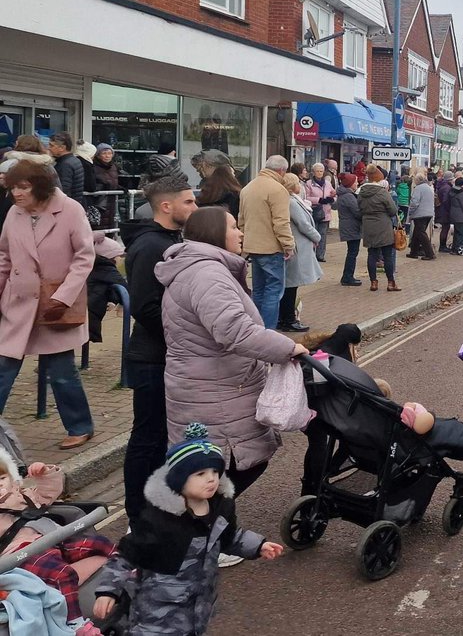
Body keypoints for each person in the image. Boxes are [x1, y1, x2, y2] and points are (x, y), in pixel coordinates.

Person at [157, 207, 308, 503]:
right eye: (233, 227)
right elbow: (234, 330)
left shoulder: (200, 269)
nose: (240, 233)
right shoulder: (207, 274)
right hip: (215, 391)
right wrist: (287, 349)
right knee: (225, 471)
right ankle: (202, 536)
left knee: (215, 473)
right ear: (214, 233)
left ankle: (208, 532)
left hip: (208, 384)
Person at [93, 423, 285, 633]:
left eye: (215, 471)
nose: (211, 479)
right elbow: (127, 555)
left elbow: (229, 538)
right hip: (158, 605)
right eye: (200, 474)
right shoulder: (160, 518)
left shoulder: (220, 507)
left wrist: (258, 545)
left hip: (199, 602)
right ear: (179, 479)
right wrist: (108, 591)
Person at [0, 160, 96, 449]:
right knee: (4, 367)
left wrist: (63, 296)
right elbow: (4, 256)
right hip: (18, 303)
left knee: (61, 371)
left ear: (40, 187)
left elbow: (84, 257)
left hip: (55, 305)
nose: (16, 193)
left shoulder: (70, 210)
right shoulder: (15, 213)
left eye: (23, 187)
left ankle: (80, 426)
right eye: (12, 187)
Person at [120, 174, 197, 524]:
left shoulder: (169, 238)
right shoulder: (151, 245)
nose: (194, 207)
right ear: (166, 206)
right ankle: (138, 513)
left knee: (161, 439)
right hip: (152, 359)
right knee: (147, 440)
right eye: (189, 202)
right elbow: (146, 307)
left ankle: (158, 506)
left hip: (166, 355)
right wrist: (186, 335)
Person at [0, 450, 114, 630]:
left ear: (12, 479)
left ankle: (130, 572)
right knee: (62, 573)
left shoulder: (27, 496)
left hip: (56, 542)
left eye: (2, 479)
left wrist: (45, 473)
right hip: (24, 556)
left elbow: (50, 490)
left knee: (100, 544)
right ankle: (75, 624)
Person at [237, 155, 294, 330]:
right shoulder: (277, 190)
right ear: (282, 171)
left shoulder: (247, 188)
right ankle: (268, 331)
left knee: (259, 290)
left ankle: (255, 328)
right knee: (274, 291)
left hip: (252, 246)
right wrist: (288, 245)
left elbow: (241, 220)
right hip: (271, 248)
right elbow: (281, 222)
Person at [279, 173, 322, 333]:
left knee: (291, 283)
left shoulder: (293, 200)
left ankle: (285, 317)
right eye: (297, 182)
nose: (300, 185)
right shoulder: (291, 202)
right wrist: (317, 236)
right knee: (291, 284)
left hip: (299, 246)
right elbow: (303, 224)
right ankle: (288, 319)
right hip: (296, 247)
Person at [359, 164, 400, 292]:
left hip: (368, 225)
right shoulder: (382, 192)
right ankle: (390, 282)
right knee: (387, 255)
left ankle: (373, 283)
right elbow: (393, 210)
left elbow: (359, 208)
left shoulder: (361, 192)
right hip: (383, 225)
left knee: (372, 254)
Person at [301, 162, 335, 264]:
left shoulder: (327, 183)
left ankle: (320, 255)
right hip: (314, 212)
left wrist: (332, 199)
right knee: (313, 234)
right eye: (317, 171)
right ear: (313, 172)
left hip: (326, 212)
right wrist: (319, 200)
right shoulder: (309, 183)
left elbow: (334, 194)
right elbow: (306, 197)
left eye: (321, 171)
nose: (320, 173)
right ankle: (311, 254)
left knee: (323, 235)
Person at [335, 173, 364, 284]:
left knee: (352, 252)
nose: (357, 183)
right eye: (355, 181)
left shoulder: (346, 195)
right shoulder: (348, 196)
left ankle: (348, 276)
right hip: (351, 227)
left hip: (349, 226)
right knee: (352, 253)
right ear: (350, 184)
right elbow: (357, 212)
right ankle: (347, 277)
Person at [47, 132, 86, 205]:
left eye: (51, 145)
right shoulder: (74, 160)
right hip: (73, 204)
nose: (48, 148)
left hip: (65, 206)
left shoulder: (65, 164)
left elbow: (62, 189)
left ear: (62, 148)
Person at [407, 171, 437, 262]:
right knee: (417, 233)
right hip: (429, 213)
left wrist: (410, 213)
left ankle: (430, 253)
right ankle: (414, 252)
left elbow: (414, 202)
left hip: (420, 214)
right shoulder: (429, 188)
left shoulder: (418, 189)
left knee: (421, 233)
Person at [92, 142, 121, 228]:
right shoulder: (94, 167)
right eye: (104, 153)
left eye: (109, 153)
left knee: (111, 225)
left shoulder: (114, 167)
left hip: (112, 202)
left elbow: (114, 181)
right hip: (100, 202)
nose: (107, 156)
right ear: (98, 155)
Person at [448, 177, 463, 255]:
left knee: (456, 233)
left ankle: (454, 249)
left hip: (453, 214)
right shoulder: (461, 193)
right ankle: (458, 249)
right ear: (462, 184)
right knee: (460, 234)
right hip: (460, 215)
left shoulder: (452, 191)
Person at [436, 169, 454, 252]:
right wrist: (449, 209)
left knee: (445, 228)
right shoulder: (447, 188)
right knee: (445, 228)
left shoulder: (442, 186)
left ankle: (442, 246)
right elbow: (446, 200)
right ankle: (442, 246)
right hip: (445, 211)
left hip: (442, 210)